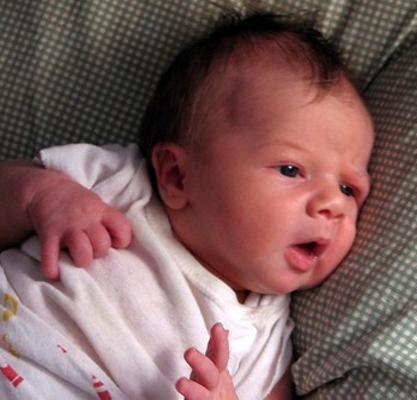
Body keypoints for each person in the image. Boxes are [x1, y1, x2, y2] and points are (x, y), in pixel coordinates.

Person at [0, 10, 373, 400]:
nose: (333, 203)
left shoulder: (265, 333)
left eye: (349, 189)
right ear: (178, 176)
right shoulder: (116, 184)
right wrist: (40, 196)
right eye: (291, 169)